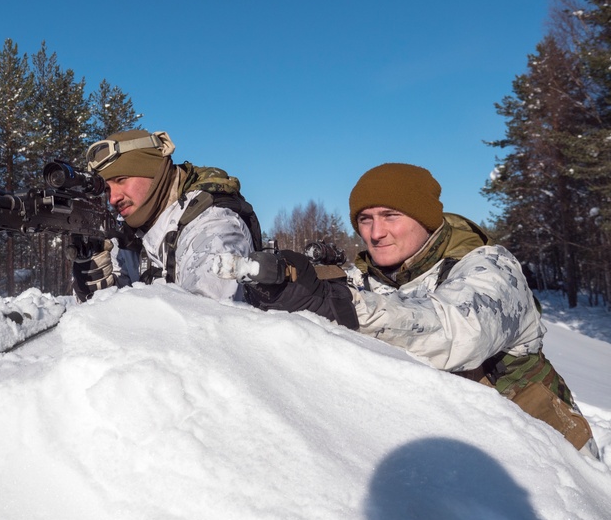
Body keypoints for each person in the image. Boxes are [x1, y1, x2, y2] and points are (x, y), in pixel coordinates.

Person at [213, 162, 596, 454]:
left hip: (550, 454)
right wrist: (279, 289)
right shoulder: (370, 277)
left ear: (424, 218)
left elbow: (457, 334)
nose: (376, 233)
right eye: (365, 219)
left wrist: (336, 306)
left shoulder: (489, 266)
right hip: (456, 452)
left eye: (391, 216)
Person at [70, 129, 260, 303]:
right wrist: (92, 286)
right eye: (107, 189)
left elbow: (205, 321)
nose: (113, 199)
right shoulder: (128, 235)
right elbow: (103, 318)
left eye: (121, 180)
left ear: (155, 171)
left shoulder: (214, 225)